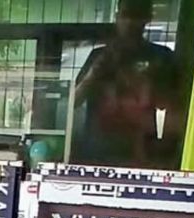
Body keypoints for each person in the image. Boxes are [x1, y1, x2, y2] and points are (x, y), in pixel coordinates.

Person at [73, 0, 182, 167]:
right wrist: (94, 74)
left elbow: (174, 110)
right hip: (97, 153)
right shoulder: (100, 57)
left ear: (148, 18)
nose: (130, 22)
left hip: (142, 153)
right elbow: (74, 101)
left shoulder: (161, 58)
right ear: (117, 17)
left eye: (137, 16)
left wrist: (149, 82)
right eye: (126, 15)